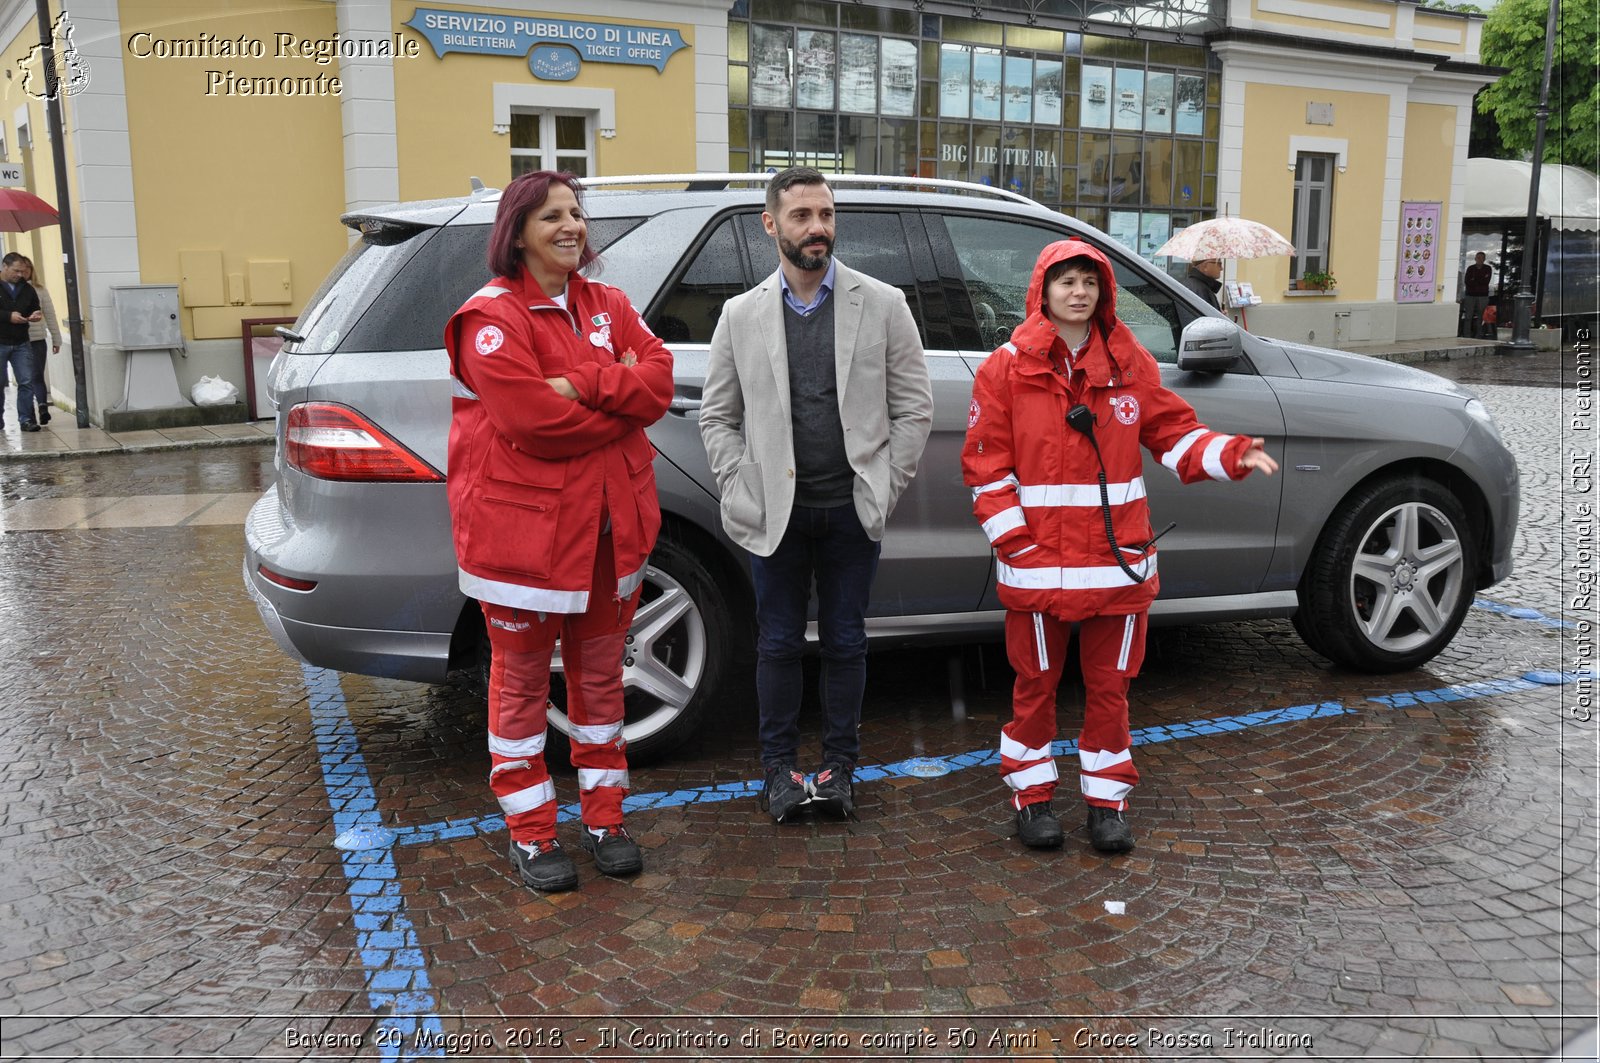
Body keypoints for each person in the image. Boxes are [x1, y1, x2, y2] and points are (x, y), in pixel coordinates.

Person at [961, 239, 1277, 855]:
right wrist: (1016, 542)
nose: (1078, 292)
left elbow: (1176, 436)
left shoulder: (1131, 365)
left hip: (1117, 567)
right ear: (1043, 291)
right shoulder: (1005, 368)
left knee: (1110, 693)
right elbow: (985, 466)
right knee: (1034, 688)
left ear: (1103, 292)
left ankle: (1107, 805)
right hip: (1038, 571)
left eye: (1089, 282)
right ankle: (1033, 800)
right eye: (1066, 281)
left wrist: (1233, 454)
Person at [443, 171, 674, 892]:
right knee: (518, 688)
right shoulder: (490, 318)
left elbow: (660, 382)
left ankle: (606, 817)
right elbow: (531, 422)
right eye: (553, 216)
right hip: (525, 545)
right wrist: (616, 384)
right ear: (517, 232)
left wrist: (581, 382)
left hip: (613, 532)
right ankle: (532, 832)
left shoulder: (608, 302)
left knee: (601, 681)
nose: (572, 225)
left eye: (577, 213)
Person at [699, 167, 933, 823]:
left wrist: (883, 486)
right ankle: (778, 771)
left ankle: (839, 768)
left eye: (825, 215)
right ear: (771, 224)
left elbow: (916, 408)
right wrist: (738, 480)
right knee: (775, 643)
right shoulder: (740, 314)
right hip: (774, 513)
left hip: (852, 509)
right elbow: (717, 416)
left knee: (845, 642)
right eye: (801, 216)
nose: (817, 228)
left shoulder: (881, 303)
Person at [0, 252, 42, 433]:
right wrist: (8, 316)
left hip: (21, 342)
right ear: (4, 266)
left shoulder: (27, 288)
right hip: (0, 341)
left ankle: (25, 419)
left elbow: (35, 307)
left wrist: (36, 315)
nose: (19, 275)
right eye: (16, 271)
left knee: (26, 381)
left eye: (22, 271)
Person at [18, 256, 60, 425]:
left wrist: (56, 338)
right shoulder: (10, 290)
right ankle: (29, 416)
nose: (25, 272)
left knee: (36, 375)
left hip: (37, 339)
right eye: (21, 268)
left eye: (28, 268)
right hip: (18, 341)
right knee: (25, 378)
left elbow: (50, 314)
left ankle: (42, 407)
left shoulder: (40, 290)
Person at [1462, 252, 1493, 338]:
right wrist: (1478, 280)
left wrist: (1474, 280)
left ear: (1484, 259)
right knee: (1468, 316)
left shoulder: (1487, 268)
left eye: (1481, 258)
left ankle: (1479, 334)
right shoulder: (1470, 268)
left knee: (1481, 316)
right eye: (1478, 257)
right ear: (1475, 258)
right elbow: (1467, 281)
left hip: (1482, 296)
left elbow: (1486, 281)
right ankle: (1466, 334)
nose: (1479, 259)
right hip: (1470, 295)